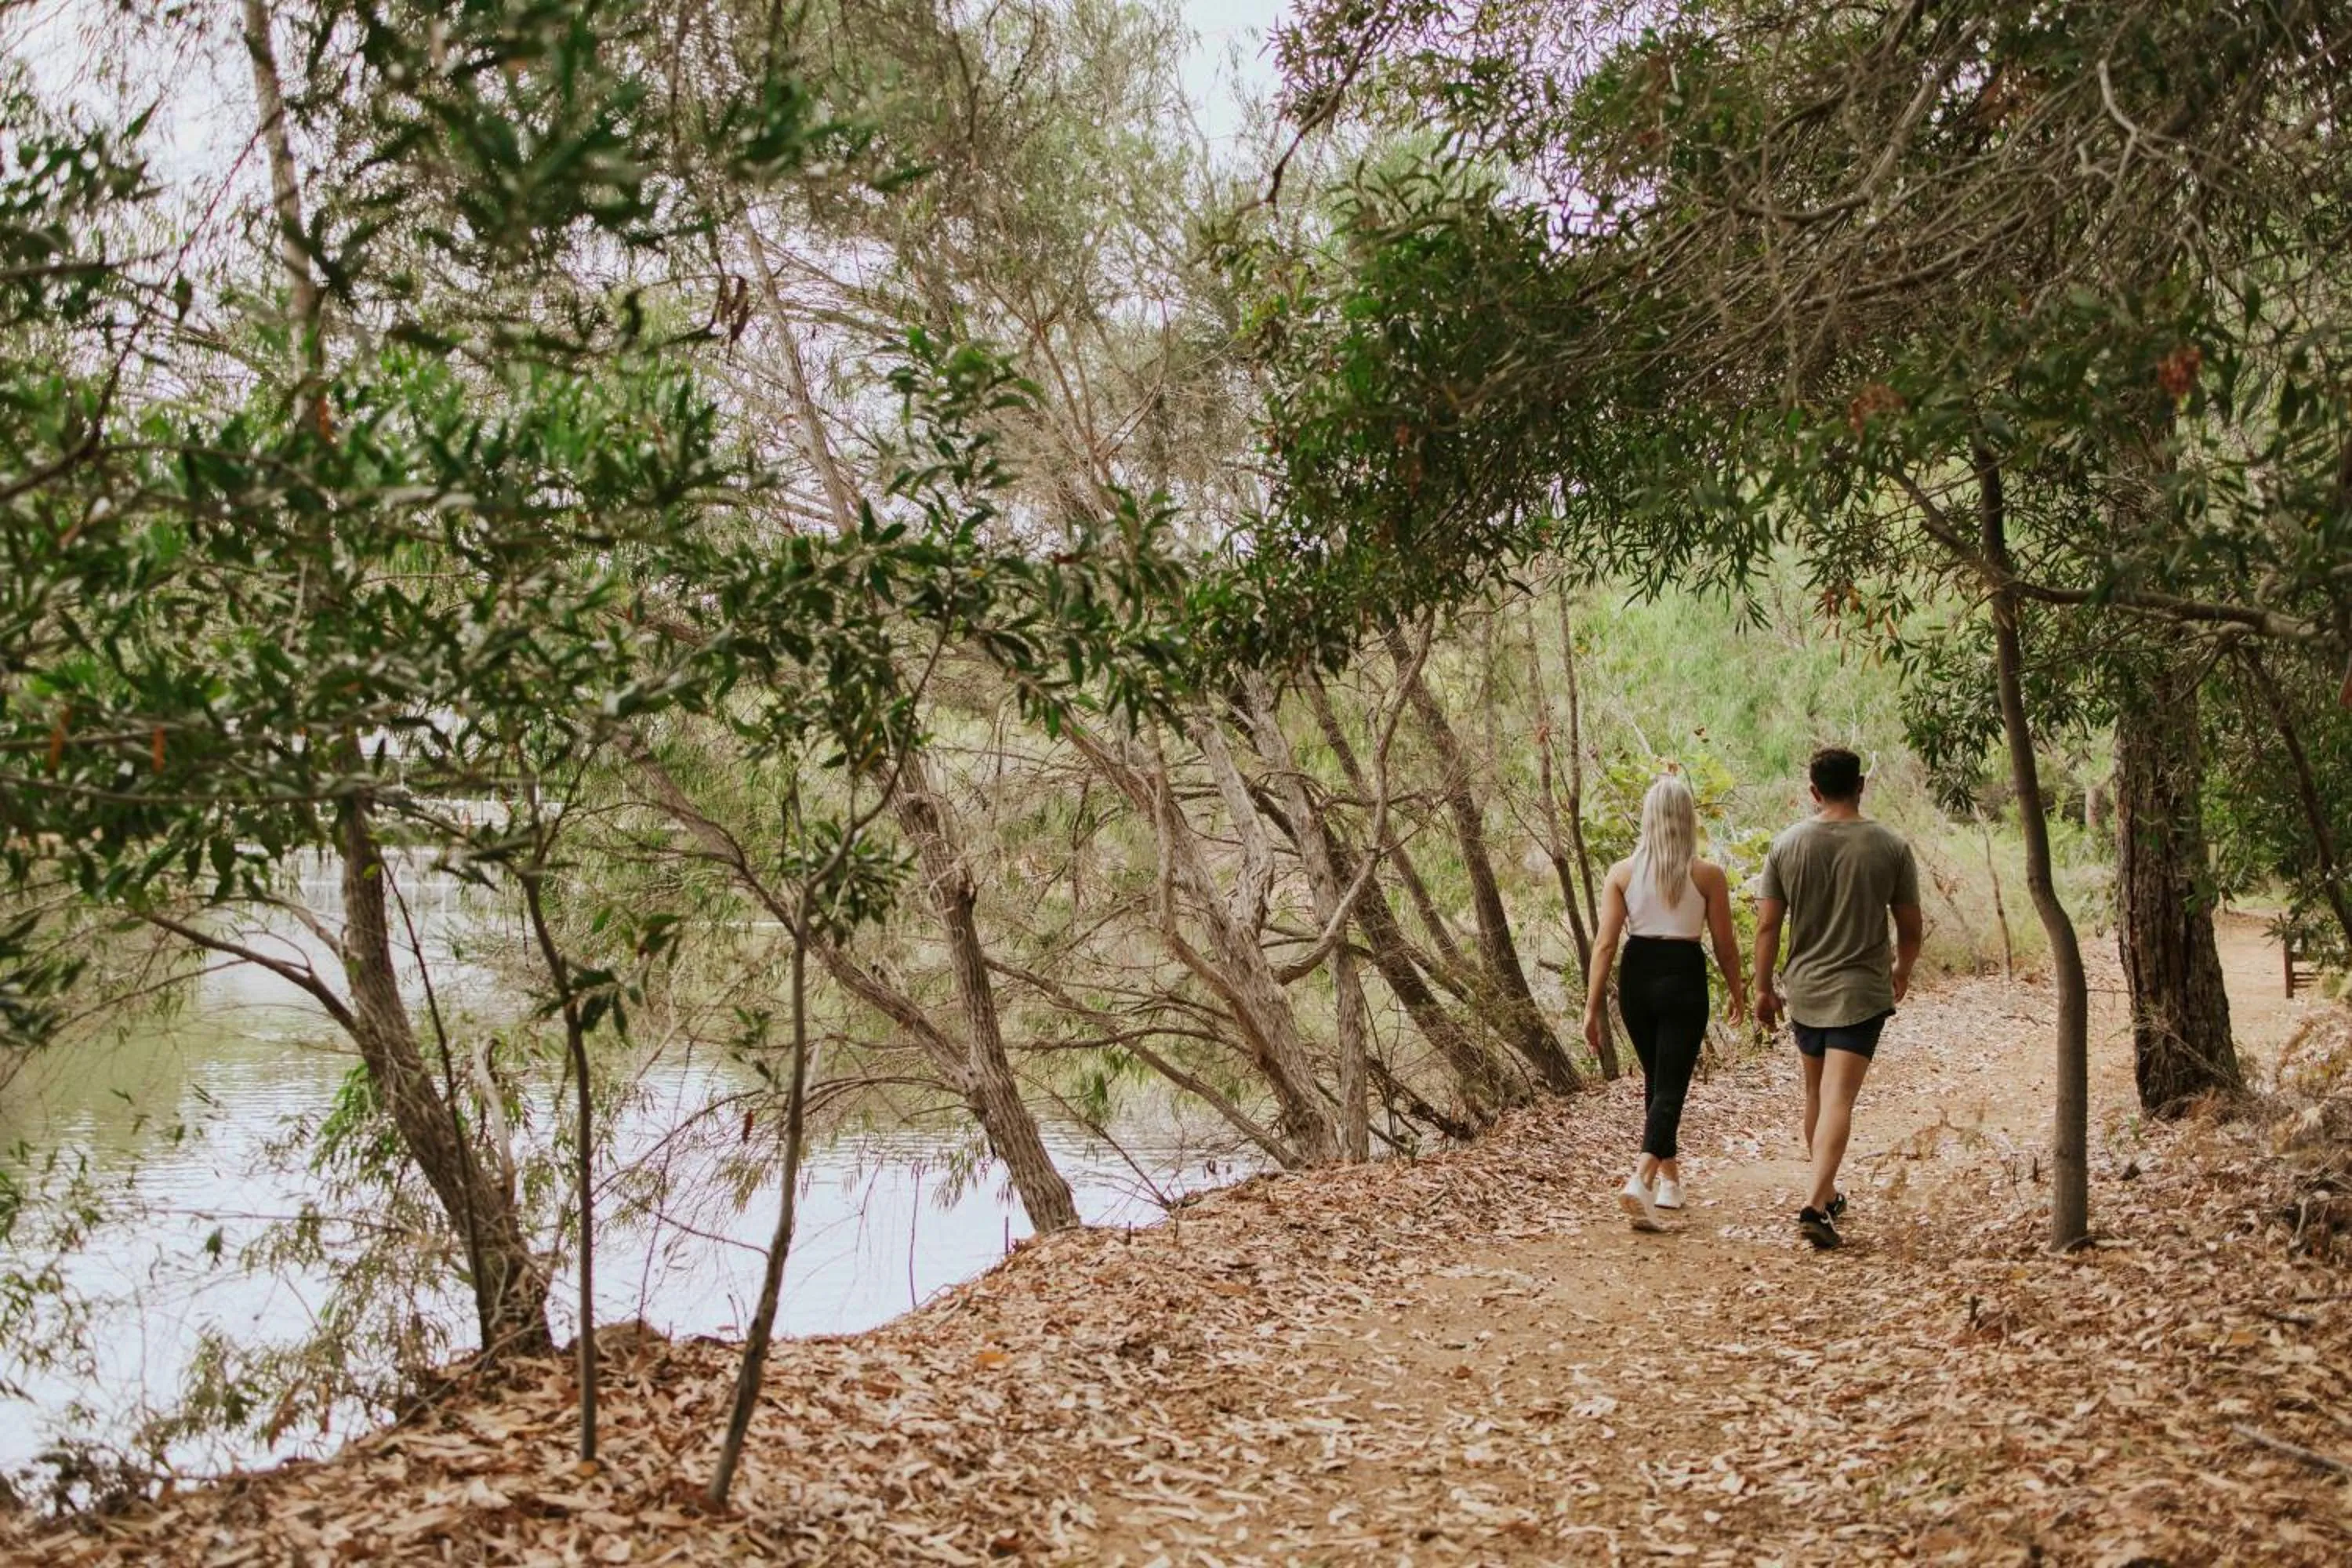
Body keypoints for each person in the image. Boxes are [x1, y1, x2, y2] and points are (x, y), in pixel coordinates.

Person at [1753, 746, 1924, 1250]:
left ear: (1813, 791)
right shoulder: (1890, 846)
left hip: (1805, 987)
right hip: (1860, 990)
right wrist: (1903, 969)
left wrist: (1763, 987)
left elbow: (1767, 924)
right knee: (1838, 1098)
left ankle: (1825, 1193)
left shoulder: (1786, 845)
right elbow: (1910, 927)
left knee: (1816, 1095)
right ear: (1861, 786)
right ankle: (1813, 1203)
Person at [1583, 772, 1748, 1232]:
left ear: (1648, 819)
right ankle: (1641, 1179)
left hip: (1637, 976)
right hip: (1684, 976)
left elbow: (1604, 946)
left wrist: (1592, 1006)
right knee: (1671, 1085)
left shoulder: (1621, 873)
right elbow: (1726, 945)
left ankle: (1670, 1185)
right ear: (1688, 819)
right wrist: (1738, 991)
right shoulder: (1708, 875)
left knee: (1659, 1081)